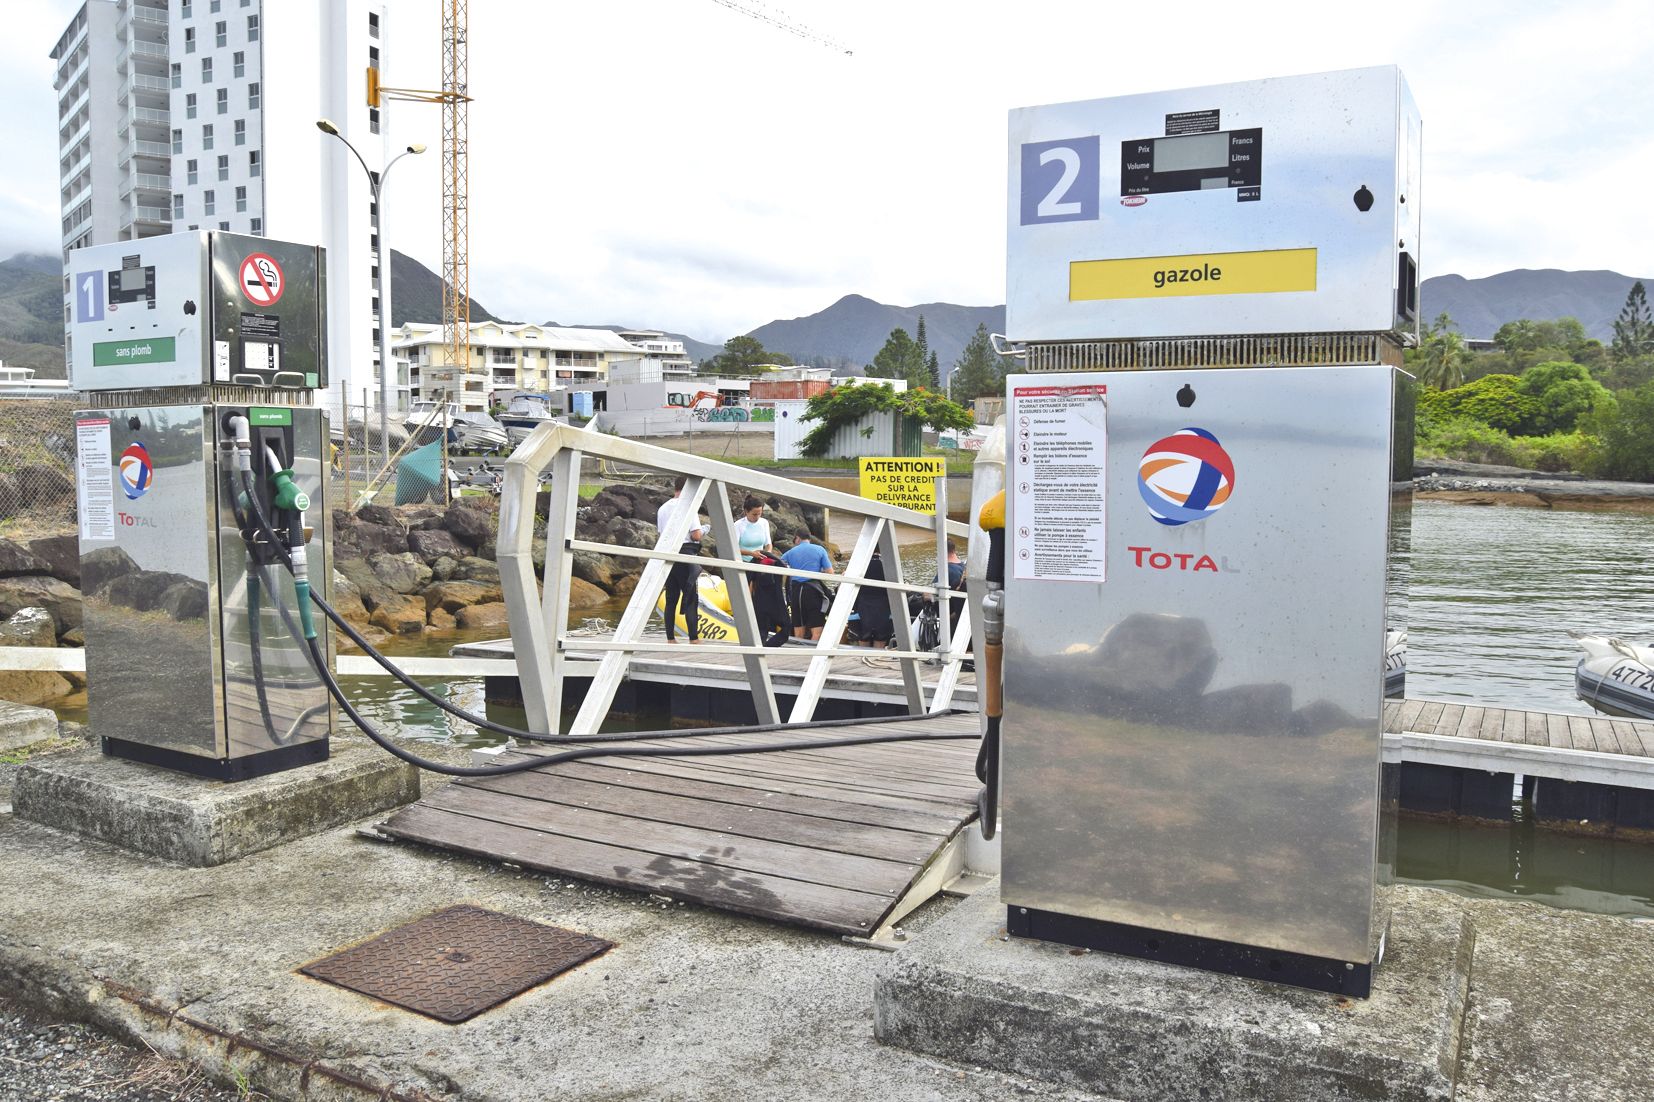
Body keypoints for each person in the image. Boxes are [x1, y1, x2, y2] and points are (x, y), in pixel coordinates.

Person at [656, 477, 705, 644]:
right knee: (691, 597)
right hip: (686, 554)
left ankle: (670, 638)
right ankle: (694, 638)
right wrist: (704, 530)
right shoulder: (689, 507)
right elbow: (696, 535)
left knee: (671, 598)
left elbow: (661, 534)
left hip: (668, 554)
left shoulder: (662, 509)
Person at [783, 529, 834, 641]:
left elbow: (779, 565)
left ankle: (798, 654)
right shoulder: (819, 549)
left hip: (796, 591)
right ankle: (813, 656)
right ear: (809, 538)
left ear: (798, 538)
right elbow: (830, 572)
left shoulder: (790, 552)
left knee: (799, 626)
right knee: (817, 631)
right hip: (813, 591)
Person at [747, 547, 794, 647]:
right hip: (776, 601)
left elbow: (748, 583)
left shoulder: (754, 563)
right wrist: (789, 600)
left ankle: (760, 650)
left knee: (762, 629)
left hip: (759, 601)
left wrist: (748, 602)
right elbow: (788, 585)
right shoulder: (780, 564)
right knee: (787, 626)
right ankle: (768, 647)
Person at [851, 547, 894, 648]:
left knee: (863, 637)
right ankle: (876, 659)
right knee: (880, 638)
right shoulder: (888, 565)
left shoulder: (859, 565)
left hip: (862, 606)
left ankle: (863, 658)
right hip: (883, 606)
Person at [731, 496, 774, 562]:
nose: (757, 517)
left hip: (759, 561)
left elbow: (768, 544)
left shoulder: (764, 522)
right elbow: (733, 549)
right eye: (754, 514)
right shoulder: (738, 525)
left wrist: (768, 553)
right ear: (746, 511)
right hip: (742, 561)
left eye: (759, 514)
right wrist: (752, 554)